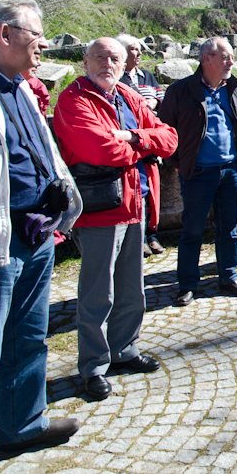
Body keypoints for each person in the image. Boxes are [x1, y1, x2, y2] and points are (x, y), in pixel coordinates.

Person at [0, 0, 82, 470]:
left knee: (30, 340)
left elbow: (42, 156)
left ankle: (22, 426)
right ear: (4, 34)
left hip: (35, 237)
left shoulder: (19, 87)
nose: (44, 44)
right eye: (36, 35)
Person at [53, 37, 178, 401]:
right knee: (97, 292)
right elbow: (100, 149)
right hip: (98, 211)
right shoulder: (74, 99)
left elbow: (168, 138)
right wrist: (142, 143)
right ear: (85, 60)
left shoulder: (128, 96)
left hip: (135, 203)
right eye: (100, 56)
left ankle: (124, 350)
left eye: (114, 58)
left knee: (130, 288)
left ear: (124, 65)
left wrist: (131, 135)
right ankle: (93, 366)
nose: (107, 63)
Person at [159, 37, 237, 307]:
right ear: (206, 59)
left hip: (231, 171)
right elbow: (164, 129)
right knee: (192, 231)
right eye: (226, 57)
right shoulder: (180, 91)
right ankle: (187, 284)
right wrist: (179, 162)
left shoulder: (234, 89)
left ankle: (228, 277)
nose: (231, 62)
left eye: (232, 57)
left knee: (230, 229)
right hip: (198, 173)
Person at [115, 33, 167, 258]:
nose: (140, 53)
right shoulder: (118, 78)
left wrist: (150, 103)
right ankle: (141, 238)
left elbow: (160, 95)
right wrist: (144, 106)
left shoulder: (146, 75)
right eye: (135, 49)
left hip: (151, 138)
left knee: (153, 192)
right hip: (134, 142)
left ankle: (152, 234)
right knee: (137, 191)